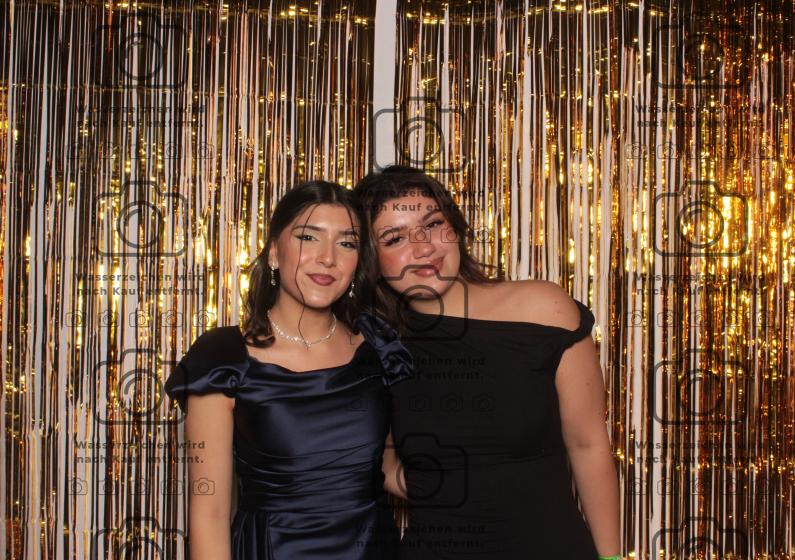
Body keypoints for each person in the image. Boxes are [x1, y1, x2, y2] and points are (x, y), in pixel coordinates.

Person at [354, 166, 622, 560]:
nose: (424, 247)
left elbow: (588, 443)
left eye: (432, 224)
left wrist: (611, 557)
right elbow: (375, 462)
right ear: (371, 260)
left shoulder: (543, 309)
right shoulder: (376, 344)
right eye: (395, 238)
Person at [163, 181, 414, 560]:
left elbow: (391, 471)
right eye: (308, 237)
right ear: (274, 253)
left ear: (357, 263)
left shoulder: (378, 349)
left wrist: (488, 469)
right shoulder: (222, 357)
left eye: (346, 244)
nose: (327, 258)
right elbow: (209, 512)